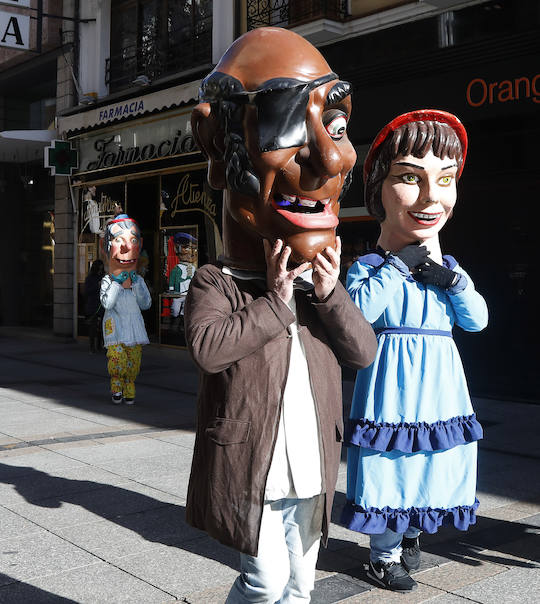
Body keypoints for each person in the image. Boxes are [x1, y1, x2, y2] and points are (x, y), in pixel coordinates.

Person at [184, 28, 377, 604]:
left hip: (311, 461)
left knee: (300, 585)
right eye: (290, 124)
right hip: (254, 463)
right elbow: (208, 349)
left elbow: (362, 352)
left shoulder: (319, 292)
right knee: (263, 582)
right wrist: (275, 299)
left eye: (338, 127)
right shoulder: (216, 281)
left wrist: (329, 290)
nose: (336, 155)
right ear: (216, 145)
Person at [341, 110, 488, 593]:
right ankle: (382, 554)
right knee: (391, 463)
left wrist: (454, 281)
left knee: (432, 460)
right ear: (379, 189)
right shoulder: (368, 265)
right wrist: (398, 266)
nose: (432, 198)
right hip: (392, 383)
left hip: (441, 384)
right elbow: (358, 312)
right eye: (409, 177)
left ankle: (411, 533)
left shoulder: (450, 267)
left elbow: (477, 320)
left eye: (445, 180)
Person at [99, 214, 151, 405]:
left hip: (134, 330)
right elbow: (107, 303)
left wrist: (137, 285)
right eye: (118, 239)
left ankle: (129, 389)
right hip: (116, 330)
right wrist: (116, 284)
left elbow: (146, 304)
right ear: (106, 246)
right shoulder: (107, 281)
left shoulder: (139, 281)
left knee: (133, 362)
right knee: (117, 361)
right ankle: (116, 388)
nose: (126, 247)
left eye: (133, 240)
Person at [83, 259, 105, 353]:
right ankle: (92, 347)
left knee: (101, 327)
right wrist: (97, 286)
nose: (100, 271)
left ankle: (99, 345)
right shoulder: (90, 278)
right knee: (93, 327)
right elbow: (87, 292)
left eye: (102, 269)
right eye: (99, 269)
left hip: (102, 304)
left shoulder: (103, 277)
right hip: (93, 305)